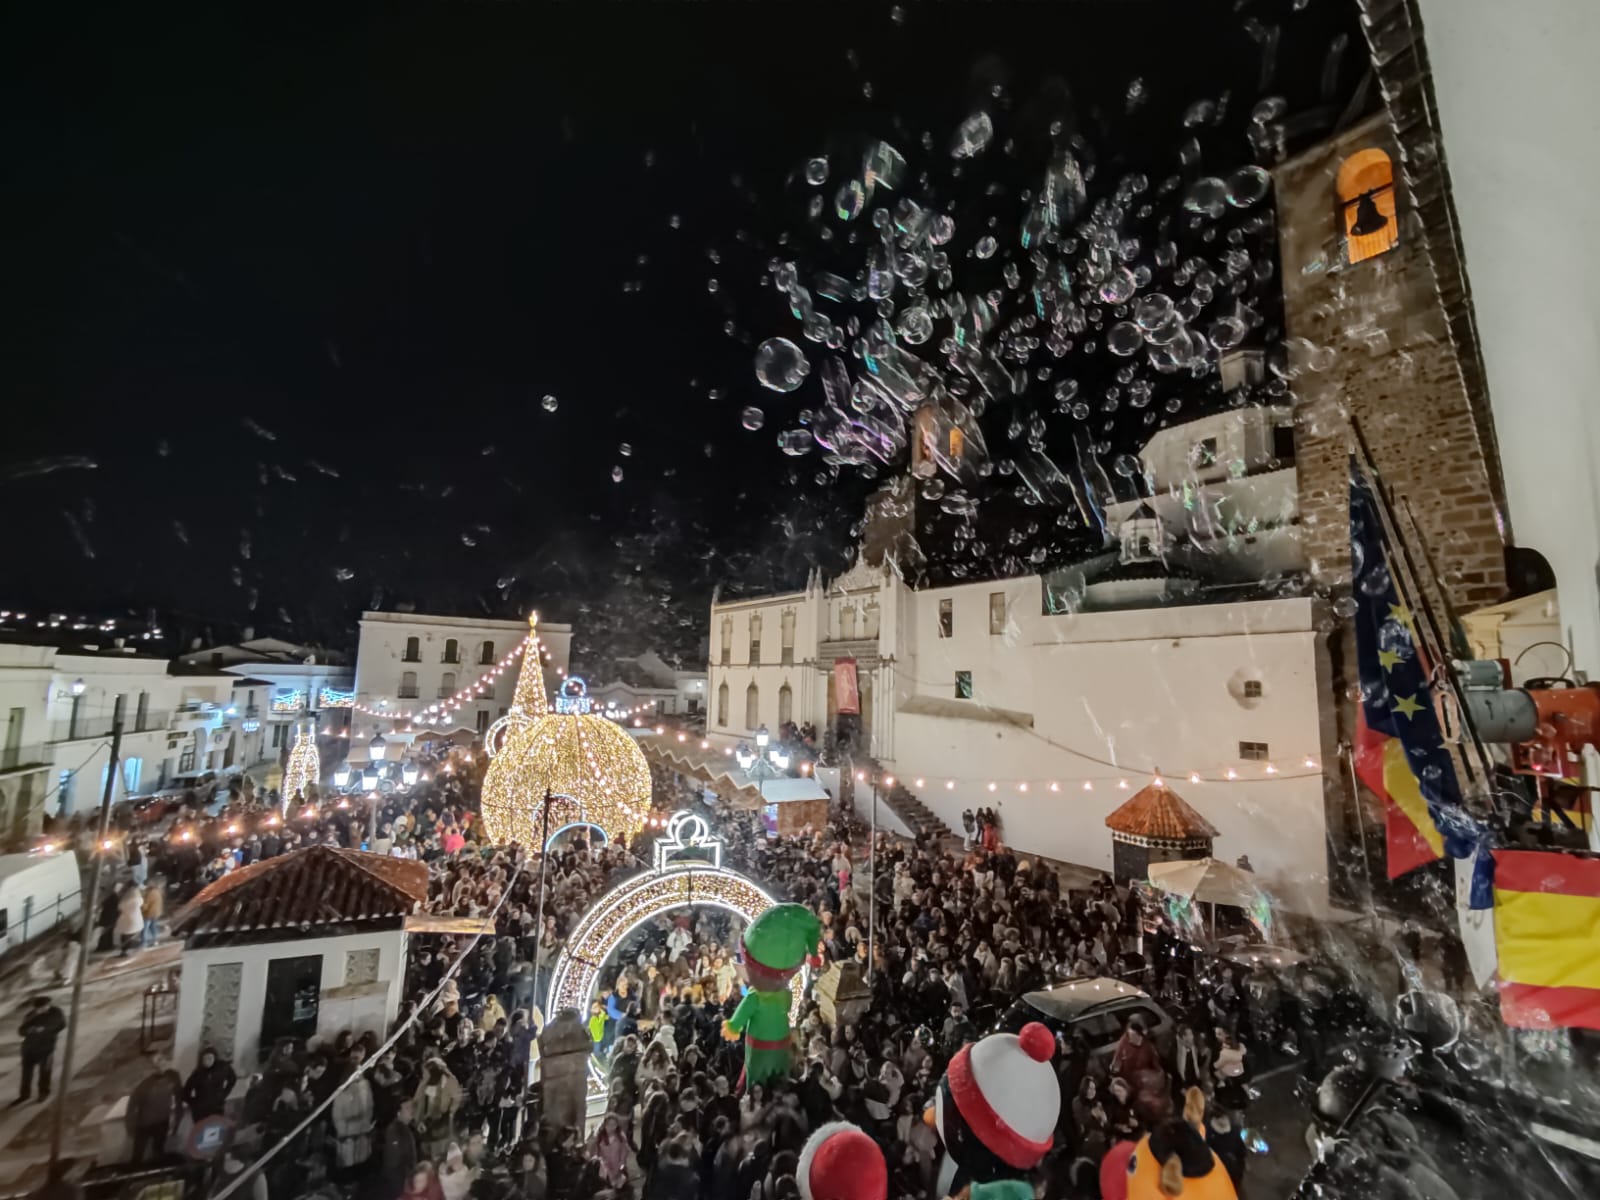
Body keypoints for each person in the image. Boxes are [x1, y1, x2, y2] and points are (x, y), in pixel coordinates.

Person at [15, 995, 66, 1105]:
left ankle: (43, 1093)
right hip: (29, 1048)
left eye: (43, 1008)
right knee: (26, 1074)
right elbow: (21, 1031)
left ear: (48, 1005)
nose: (40, 1010)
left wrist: (44, 1030)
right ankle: (24, 1095)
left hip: (46, 1048)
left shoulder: (56, 1012)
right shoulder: (31, 1015)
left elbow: (61, 1025)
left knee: (45, 1071)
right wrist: (30, 1030)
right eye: (38, 1009)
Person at [126, 1066, 181, 1164]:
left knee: (158, 1153)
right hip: (144, 1124)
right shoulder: (145, 1085)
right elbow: (132, 1105)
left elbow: (179, 1104)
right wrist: (130, 1126)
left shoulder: (173, 1079)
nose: (171, 1086)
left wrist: (176, 1125)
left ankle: (155, 1171)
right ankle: (134, 1173)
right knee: (138, 1155)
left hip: (161, 1122)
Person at [183, 1047, 237, 1121]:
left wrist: (224, 1094)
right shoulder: (197, 1073)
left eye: (210, 1058)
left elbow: (232, 1079)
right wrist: (194, 1104)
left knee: (215, 1128)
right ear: (201, 1060)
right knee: (200, 1130)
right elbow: (185, 1092)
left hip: (217, 1108)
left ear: (215, 1058)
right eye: (205, 1059)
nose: (207, 1061)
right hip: (200, 1111)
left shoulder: (222, 1068)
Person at [115, 883, 146, 956]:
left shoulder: (126, 901)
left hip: (127, 920)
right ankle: (131, 948)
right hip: (137, 920)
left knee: (124, 936)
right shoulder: (139, 899)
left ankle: (125, 951)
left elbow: (120, 908)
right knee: (131, 935)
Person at [142, 880, 165, 947]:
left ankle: (143, 943)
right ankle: (155, 941)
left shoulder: (149, 893)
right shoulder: (158, 892)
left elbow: (145, 905)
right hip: (156, 913)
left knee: (145, 929)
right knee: (153, 927)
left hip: (148, 914)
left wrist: (141, 909)